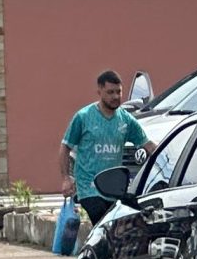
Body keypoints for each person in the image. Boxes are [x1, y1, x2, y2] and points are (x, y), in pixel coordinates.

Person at [58, 70, 144, 234]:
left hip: (114, 188)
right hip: (89, 187)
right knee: (103, 223)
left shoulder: (126, 120)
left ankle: (100, 257)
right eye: (110, 92)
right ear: (100, 91)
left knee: (116, 230)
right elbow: (65, 147)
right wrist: (65, 178)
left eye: (118, 92)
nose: (115, 96)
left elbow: (148, 145)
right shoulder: (83, 117)